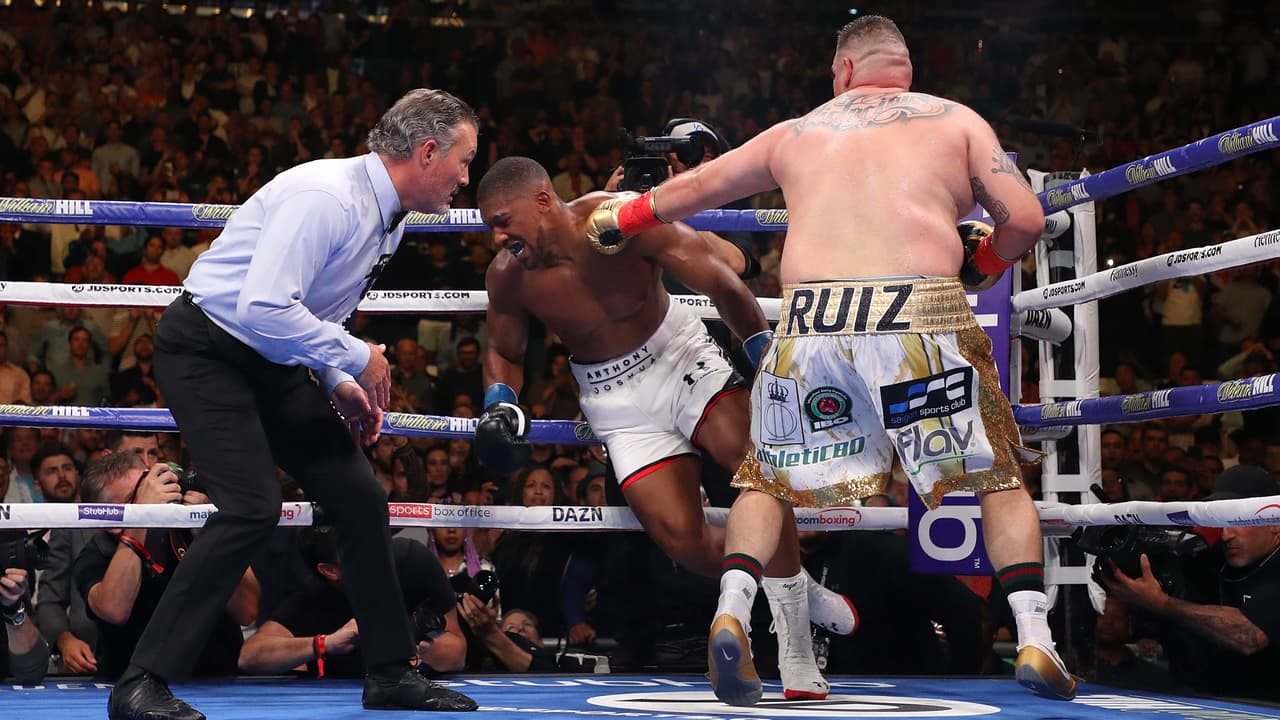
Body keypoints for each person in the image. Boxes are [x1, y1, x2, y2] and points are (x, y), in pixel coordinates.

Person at [584, 15, 1071, 704]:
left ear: (843, 70)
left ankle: (731, 609)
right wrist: (984, 261)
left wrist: (622, 217)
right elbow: (1024, 218)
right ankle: (1034, 635)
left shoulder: (799, 130)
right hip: (920, 312)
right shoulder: (956, 120)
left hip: (814, 321)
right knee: (995, 478)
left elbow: (699, 188)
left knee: (768, 481)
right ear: (905, 70)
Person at [106, 88, 480, 720]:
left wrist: (338, 381)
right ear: (426, 152)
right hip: (207, 350)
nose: (465, 179)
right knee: (252, 505)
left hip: (273, 360)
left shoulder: (388, 219)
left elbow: (314, 313)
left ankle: (391, 672)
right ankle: (141, 681)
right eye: (463, 161)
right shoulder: (326, 198)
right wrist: (357, 356)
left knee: (359, 496)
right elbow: (262, 306)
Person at [475, 156, 855, 701]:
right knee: (684, 540)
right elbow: (504, 350)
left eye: (502, 221)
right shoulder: (508, 276)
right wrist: (499, 402)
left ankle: (796, 645)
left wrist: (761, 353)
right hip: (613, 398)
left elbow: (720, 279)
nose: (497, 236)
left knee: (758, 466)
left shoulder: (619, 221)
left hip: (679, 356)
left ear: (541, 201)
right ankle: (795, 583)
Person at [1100, 464, 1280, 701]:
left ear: (1274, 523)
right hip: (1209, 700)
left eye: (1239, 521)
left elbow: (1249, 636)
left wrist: (1162, 603)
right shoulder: (1216, 555)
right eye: (1223, 521)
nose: (1226, 535)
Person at [238, 531, 466, 678]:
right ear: (330, 571)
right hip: (344, 700)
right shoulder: (315, 596)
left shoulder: (411, 561)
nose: (372, 558)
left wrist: (419, 650)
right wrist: (324, 644)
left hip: (418, 691)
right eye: (357, 554)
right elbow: (250, 657)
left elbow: (457, 652)